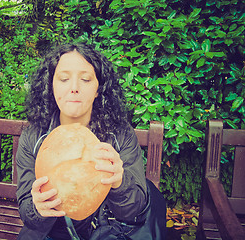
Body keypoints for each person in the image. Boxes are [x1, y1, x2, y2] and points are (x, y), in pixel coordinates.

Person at [16, 43, 166, 240]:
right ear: (50, 86)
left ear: (98, 89)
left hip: (109, 232)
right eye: (63, 79)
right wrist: (38, 208)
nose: (74, 88)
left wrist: (120, 182)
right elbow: (28, 214)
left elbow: (134, 209)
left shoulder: (120, 135)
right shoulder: (33, 138)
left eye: (85, 79)